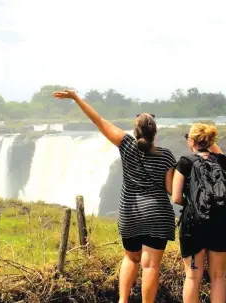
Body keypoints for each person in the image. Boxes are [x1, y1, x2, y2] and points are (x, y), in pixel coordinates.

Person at [52, 89, 176, 303]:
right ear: (154, 132)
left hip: (130, 214)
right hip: (157, 215)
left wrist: (76, 98)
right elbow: (170, 189)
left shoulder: (126, 145)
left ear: (136, 131)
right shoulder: (166, 156)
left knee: (130, 258)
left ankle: (122, 300)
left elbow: (98, 120)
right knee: (151, 265)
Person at [172, 123, 226, 303]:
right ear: (210, 140)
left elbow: (176, 197)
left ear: (191, 141)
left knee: (193, 277)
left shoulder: (185, 162)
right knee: (218, 276)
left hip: (194, 224)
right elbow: (219, 153)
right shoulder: (221, 162)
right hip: (221, 223)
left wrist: (193, 203)